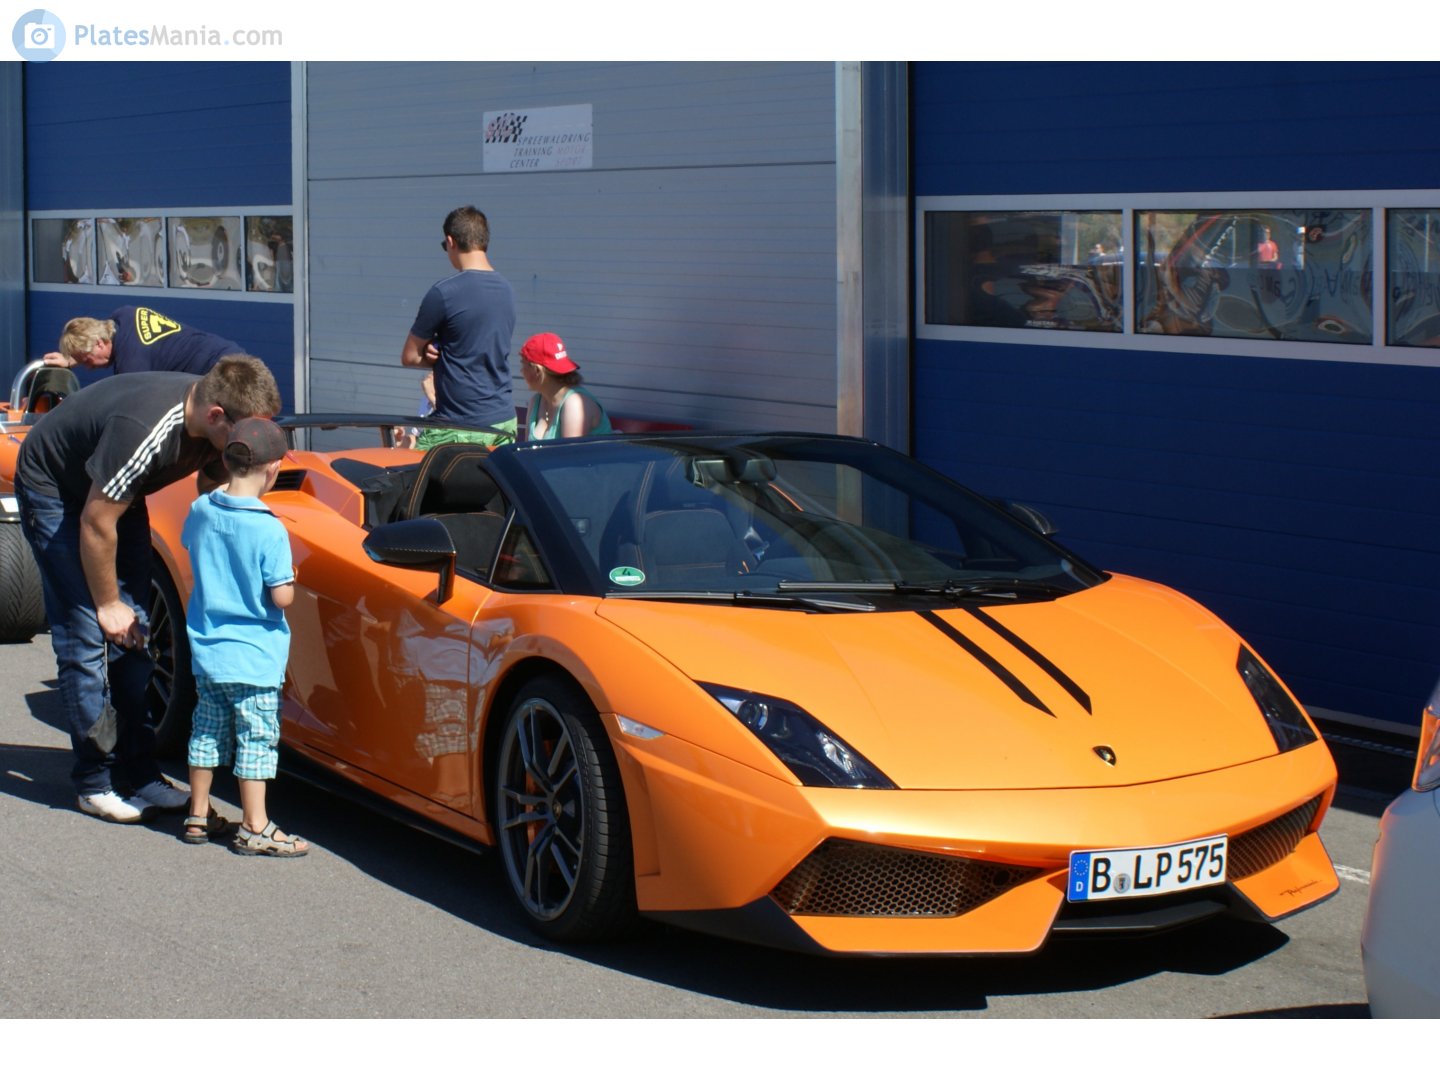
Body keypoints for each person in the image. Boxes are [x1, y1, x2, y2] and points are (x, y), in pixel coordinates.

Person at [13, 356, 283, 823]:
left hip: (117, 490)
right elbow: (97, 522)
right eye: (240, 437)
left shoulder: (219, 424)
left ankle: (139, 773)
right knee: (88, 634)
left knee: (136, 636)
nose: (247, 447)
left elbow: (213, 484)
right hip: (57, 488)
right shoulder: (145, 432)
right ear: (216, 415)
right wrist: (107, 603)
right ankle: (94, 781)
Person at [181, 417, 307, 856]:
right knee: (256, 737)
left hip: (208, 647)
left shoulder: (201, 509)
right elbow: (282, 598)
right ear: (273, 469)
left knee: (207, 729)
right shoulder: (270, 528)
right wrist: (291, 579)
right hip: (255, 657)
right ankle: (254, 825)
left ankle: (198, 812)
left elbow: (193, 549)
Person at [400, 206, 517, 449]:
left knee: (412, 482)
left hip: (460, 426)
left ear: (451, 241)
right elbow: (476, 346)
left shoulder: (443, 293)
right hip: (504, 422)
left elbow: (410, 356)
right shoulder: (507, 290)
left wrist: (432, 357)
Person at [43, 305, 245, 375]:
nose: (88, 367)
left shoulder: (132, 365)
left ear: (99, 343)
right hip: (231, 352)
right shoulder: (125, 315)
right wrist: (74, 359)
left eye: (87, 360)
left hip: (221, 372)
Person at [520, 332, 612, 440]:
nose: (521, 371)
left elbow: (569, 455)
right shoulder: (536, 401)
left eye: (523, 365)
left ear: (537, 371)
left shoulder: (574, 404)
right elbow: (525, 452)